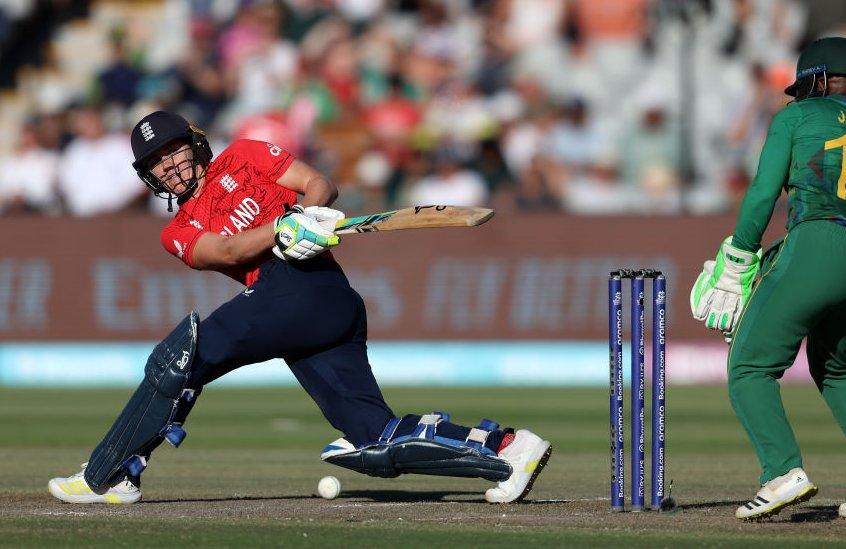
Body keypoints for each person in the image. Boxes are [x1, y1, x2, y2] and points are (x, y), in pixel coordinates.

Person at [47, 111, 551, 505]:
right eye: (157, 162)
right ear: (148, 176)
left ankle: (107, 476)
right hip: (292, 302)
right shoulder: (176, 231)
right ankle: (508, 450)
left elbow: (319, 184)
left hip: (311, 289)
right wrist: (281, 231)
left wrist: (307, 213)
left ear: (195, 145)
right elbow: (225, 252)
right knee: (374, 438)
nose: (170, 166)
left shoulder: (244, 154)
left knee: (177, 359)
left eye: (174, 151)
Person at [690, 37, 846, 521]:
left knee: (749, 365)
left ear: (821, 79)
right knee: (835, 365)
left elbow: (766, 190)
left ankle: (782, 472)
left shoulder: (796, 117)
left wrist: (741, 255)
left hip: (819, 247)